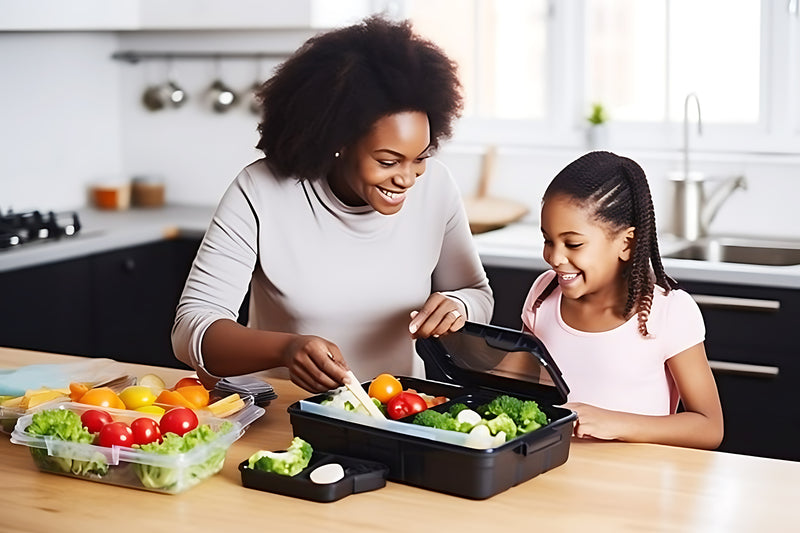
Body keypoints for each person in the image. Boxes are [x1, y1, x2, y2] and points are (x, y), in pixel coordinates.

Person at [172, 16, 493, 393]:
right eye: (387, 161)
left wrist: (459, 306)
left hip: (400, 415)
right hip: (288, 415)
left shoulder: (436, 186)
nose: (407, 178)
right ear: (337, 142)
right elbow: (190, 328)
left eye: (419, 158)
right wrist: (286, 348)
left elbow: (476, 293)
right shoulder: (261, 190)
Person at [520, 151, 723, 449]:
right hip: (557, 477)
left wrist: (615, 423)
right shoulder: (543, 295)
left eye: (573, 243)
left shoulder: (669, 312)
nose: (555, 257)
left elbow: (709, 427)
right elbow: (516, 391)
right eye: (547, 240)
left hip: (637, 486)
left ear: (626, 243)